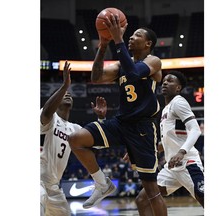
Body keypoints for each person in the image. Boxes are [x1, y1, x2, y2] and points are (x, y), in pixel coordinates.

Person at [68, 13, 167, 215]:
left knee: (151, 191)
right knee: (76, 139)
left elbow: (133, 73)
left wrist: (119, 40)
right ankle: (102, 184)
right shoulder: (122, 65)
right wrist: (104, 45)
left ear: (148, 43)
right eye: (129, 36)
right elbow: (96, 77)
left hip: (143, 128)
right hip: (121, 123)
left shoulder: (154, 61)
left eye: (136, 35)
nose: (131, 37)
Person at [40, 61, 108, 216]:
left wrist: (101, 120)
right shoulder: (49, 119)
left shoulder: (75, 129)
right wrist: (64, 86)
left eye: (69, 93)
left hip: (54, 186)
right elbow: (46, 112)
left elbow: (99, 143)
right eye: (64, 94)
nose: (68, 94)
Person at [135, 71, 205, 215]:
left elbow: (195, 129)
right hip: (171, 167)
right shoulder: (166, 108)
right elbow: (167, 142)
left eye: (170, 81)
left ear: (178, 88)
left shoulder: (179, 102)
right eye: (164, 80)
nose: (165, 82)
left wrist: (181, 152)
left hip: (187, 162)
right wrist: (137, 152)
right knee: (143, 199)